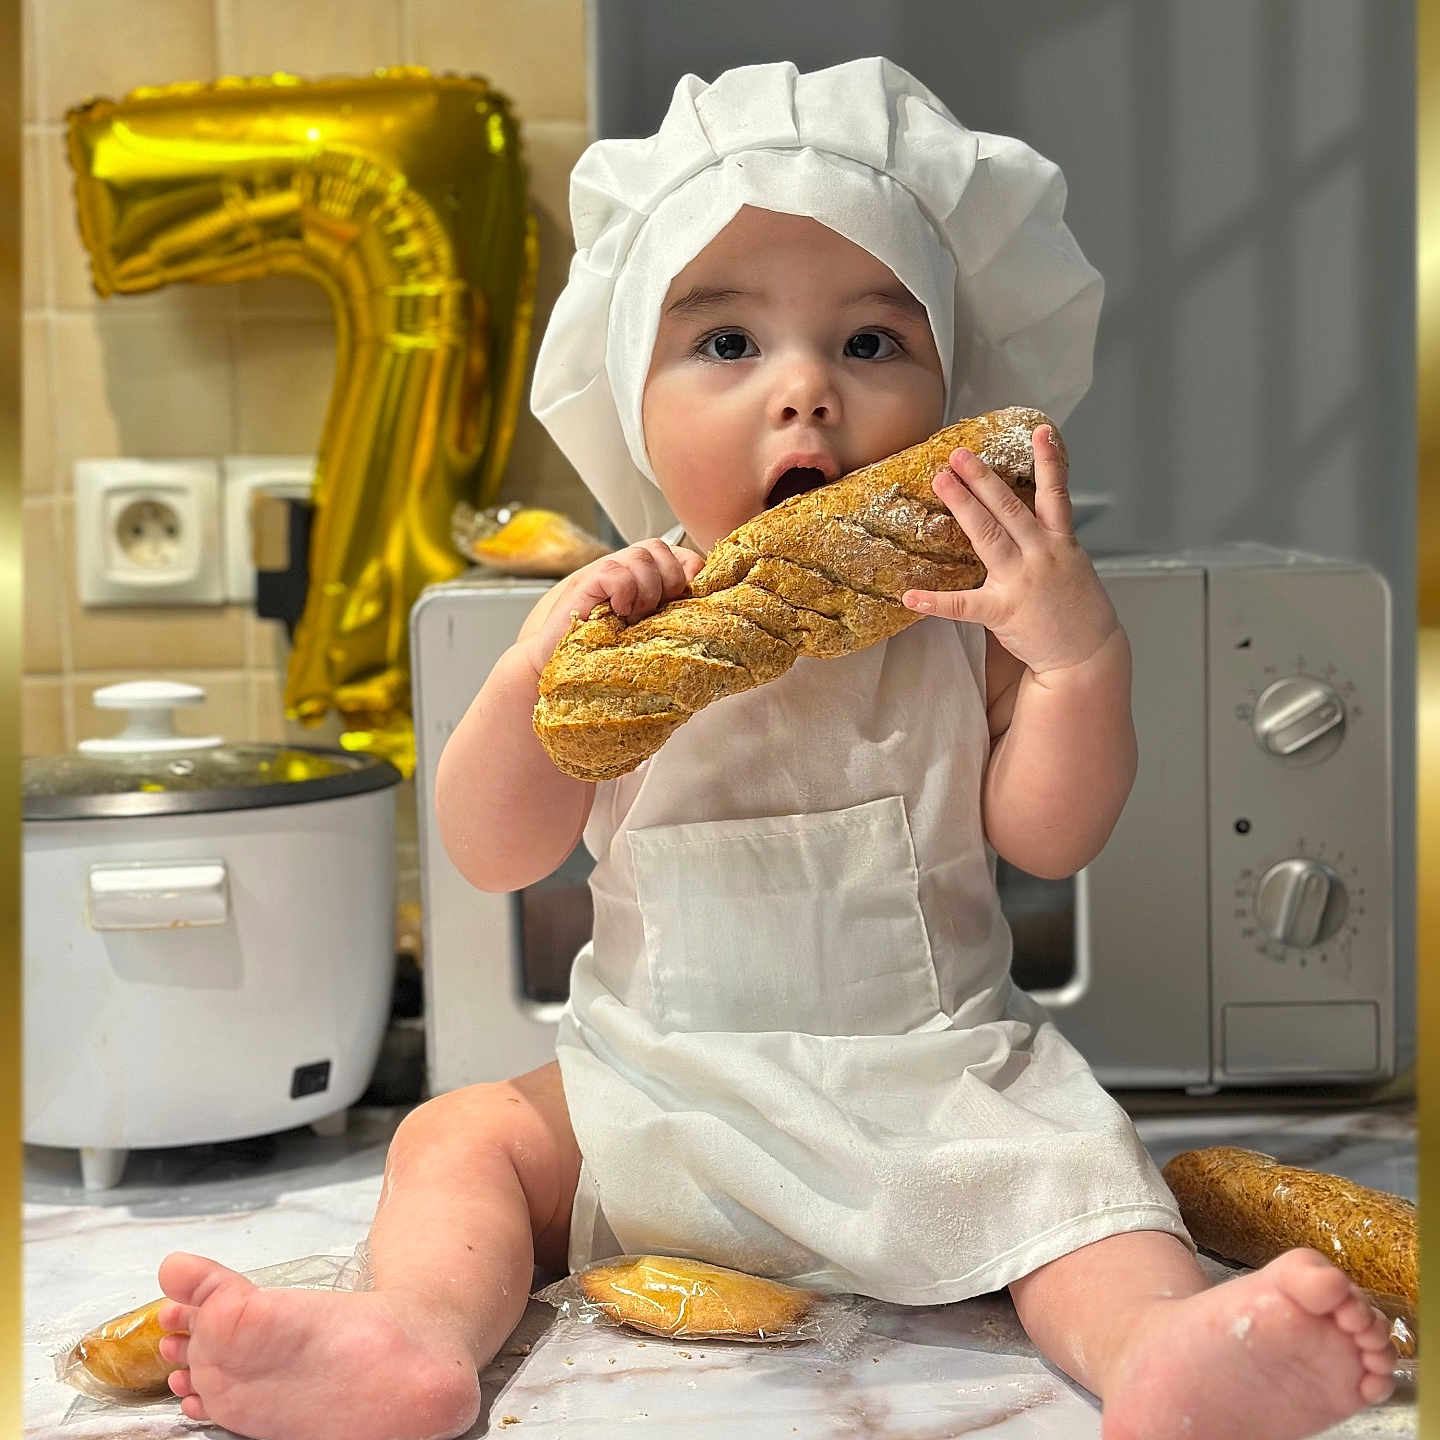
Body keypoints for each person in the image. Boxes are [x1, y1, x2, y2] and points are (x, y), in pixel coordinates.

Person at [150, 58, 1397, 1440]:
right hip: (659, 1087)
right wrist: (529, 672)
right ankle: (410, 1340)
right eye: (728, 344)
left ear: (953, 389)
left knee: (1087, 1188)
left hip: (932, 1091)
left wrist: (1073, 658)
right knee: (459, 1142)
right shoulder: (628, 630)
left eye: (871, 344)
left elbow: (1052, 833)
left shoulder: (958, 623)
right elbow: (493, 848)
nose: (805, 393)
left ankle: (1160, 1349)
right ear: (632, 402)